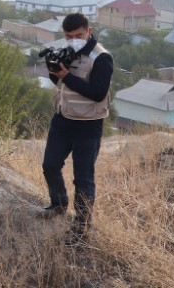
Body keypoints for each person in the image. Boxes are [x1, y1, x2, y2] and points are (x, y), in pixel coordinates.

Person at [40, 13, 113, 243]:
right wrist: (54, 72)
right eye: (68, 36)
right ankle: (59, 204)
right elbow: (60, 82)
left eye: (78, 35)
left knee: (83, 179)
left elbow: (98, 93)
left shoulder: (101, 57)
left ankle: (81, 226)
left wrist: (66, 76)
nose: (73, 40)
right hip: (62, 119)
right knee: (50, 165)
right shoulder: (66, 52)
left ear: (88, 31)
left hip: (88, 126)